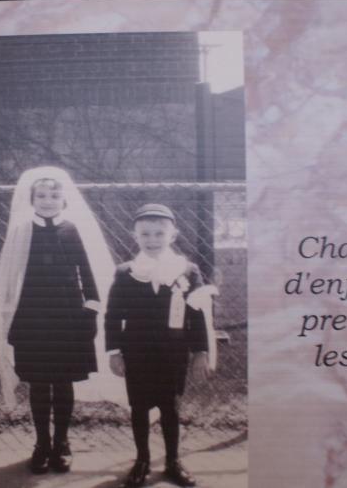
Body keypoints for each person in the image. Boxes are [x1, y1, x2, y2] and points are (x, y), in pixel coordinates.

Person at [0, 166, 118, 475]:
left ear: (64, 199)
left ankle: (62, 443)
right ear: (31, 199)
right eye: (42, 195)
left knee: (62, 383)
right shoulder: (22, 232)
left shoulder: (72, 230)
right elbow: (9, 278)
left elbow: (87, 274)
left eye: (54, 195)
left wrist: (90, 311)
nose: (48, 201)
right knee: (38, 383)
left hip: (67, 317)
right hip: (33, 319)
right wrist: (10, 318)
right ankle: (41, 444)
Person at [105, 204, 218, 488]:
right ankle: (142, 459)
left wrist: (201, 351)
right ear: (135, 236)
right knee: (139, 407)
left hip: (173, 353)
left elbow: (198, 314)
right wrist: (114, 351)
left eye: (159, 233)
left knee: (170, 407)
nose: (152, 239)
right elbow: (113, 315)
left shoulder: (187, 270)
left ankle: (172, 461)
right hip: (137, 352)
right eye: (146, 234)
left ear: (172, 235)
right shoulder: (126, 272)